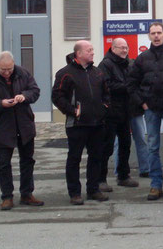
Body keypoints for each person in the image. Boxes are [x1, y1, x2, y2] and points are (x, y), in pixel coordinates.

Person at [0, 51, 44, 211]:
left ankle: (27, 194)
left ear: (13, 64)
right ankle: (7, 196)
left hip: (24, 124)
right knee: (4, 163)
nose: (7, 73)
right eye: (3, 70)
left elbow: (35, 91)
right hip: (3, 126)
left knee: (27, 161)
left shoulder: (23, 73)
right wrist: (1, 103)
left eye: (9, 69)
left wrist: (24, 96)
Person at [127, 22, 163, 201]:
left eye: (159, 32)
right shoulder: (142, 58)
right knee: (152, 147)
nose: (157, 36)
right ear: (149, 35)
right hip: (150, 109)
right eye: (153, 33)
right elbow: (131, 84)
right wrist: (143, 103)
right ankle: (155, 185)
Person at [51, 40, 111, 205]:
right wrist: (72, 111)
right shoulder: (65, 73)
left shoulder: (98, 73)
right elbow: (57, 96)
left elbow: (107, 94)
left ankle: (93, 190)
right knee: (74, 158)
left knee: (96, 157)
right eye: (89, 50)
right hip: (77, 124)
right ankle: (75, 193)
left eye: (92, 49)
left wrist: (104, 108)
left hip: (97, 124)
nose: (93, 52)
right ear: (79, 54)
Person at [97, 38, 139, 191]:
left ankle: (123, 176)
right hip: (110, 113)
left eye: (126, 47)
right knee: (106, 147)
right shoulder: (105, 65)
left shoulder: (129, 63)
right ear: (113, 48)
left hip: (126, 111)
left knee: (125, 145)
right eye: (121, 47)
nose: (124, 50)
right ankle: (100, 179)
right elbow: (106, 86)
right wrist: (127, 87)